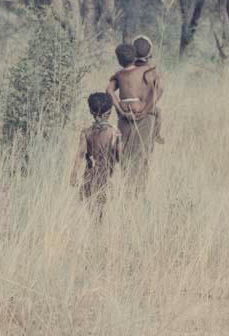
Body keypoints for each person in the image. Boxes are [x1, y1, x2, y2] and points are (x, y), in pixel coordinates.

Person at [106, 43, 162, 190]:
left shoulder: (119, 74)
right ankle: (136, 191)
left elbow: (109, 91)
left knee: (126, 154)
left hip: (125, 118)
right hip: (142, 116)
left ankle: (128, 188)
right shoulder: (147, 70)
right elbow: (159, 89)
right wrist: (147, 108)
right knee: (141, 155)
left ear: (119, 60)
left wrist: (120, 110)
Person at [70, 92, 121, 220]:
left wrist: (73, 174)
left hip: (89, 176)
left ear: (90, 112)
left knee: (90, 209)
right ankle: (99, 233)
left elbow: (79, 155)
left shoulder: (86, 132)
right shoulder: (114, 133)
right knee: (103, 210)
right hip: (106, 176)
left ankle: (94, 231)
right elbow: (120, 157)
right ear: (109, 113)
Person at [132, 35, 164, 144]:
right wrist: (148, 107)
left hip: (130, 107)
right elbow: (160, 90)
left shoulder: (127, 70)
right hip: (146, 108)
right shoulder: (153, 72)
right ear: (150, 54)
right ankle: (157, 134)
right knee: (158, 112)